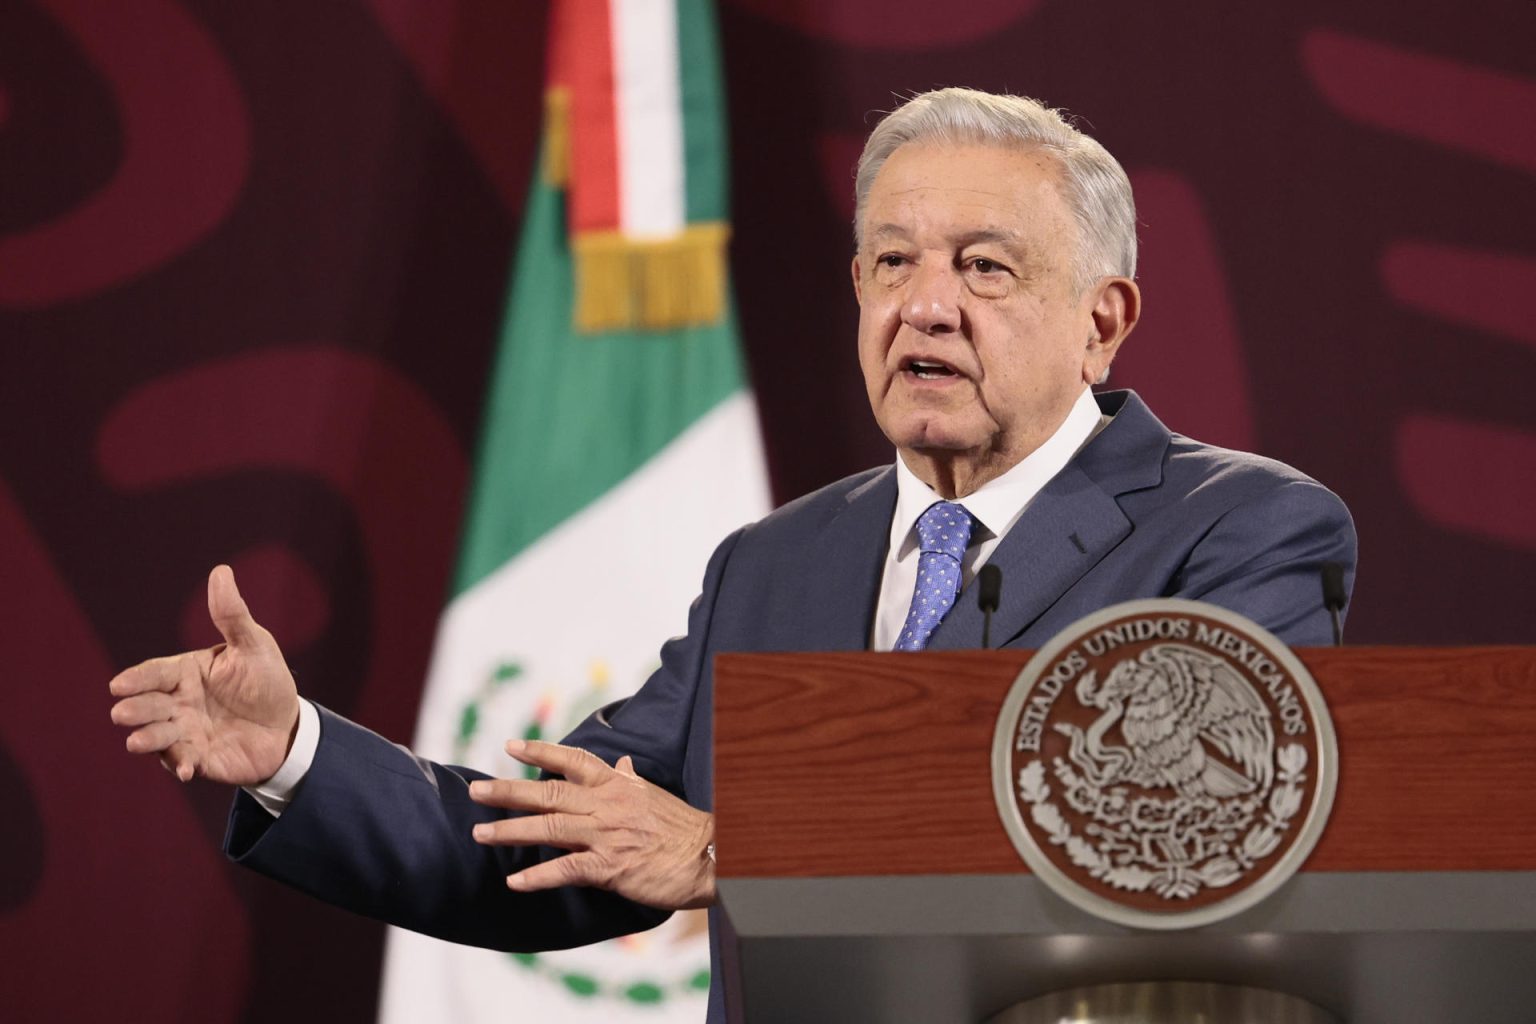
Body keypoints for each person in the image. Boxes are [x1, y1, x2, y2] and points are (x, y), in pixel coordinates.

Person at [108, 87, 1356, 1023]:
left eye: (985, 266)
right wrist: (294, 752)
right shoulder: (777, 563)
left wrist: (729, 852)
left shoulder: (1241, 529)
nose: (925, 305)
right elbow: (551, 841)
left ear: (1104, 319)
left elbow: (1197, 840)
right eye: (890, 262)